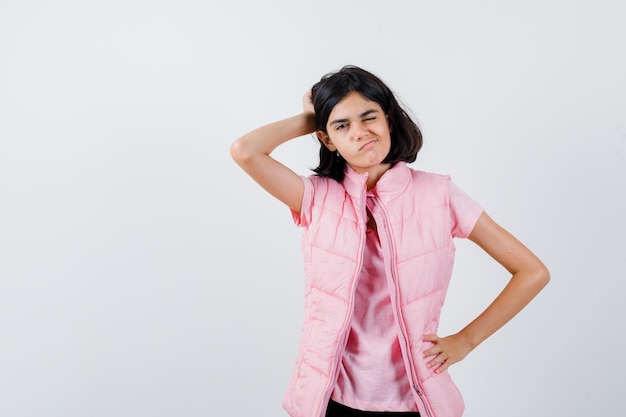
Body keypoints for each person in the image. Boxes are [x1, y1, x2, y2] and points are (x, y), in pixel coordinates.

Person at [230, 65, 549, 417]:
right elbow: (246, 150)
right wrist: (310, 118)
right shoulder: (315, 197)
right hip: (330, 399)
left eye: (370, 118)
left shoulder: (439, 194)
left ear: (390, 121)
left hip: (415, 400)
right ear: (326, 140)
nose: (360, 133)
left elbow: (531, 271)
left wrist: (465, 341)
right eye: (342, 126)